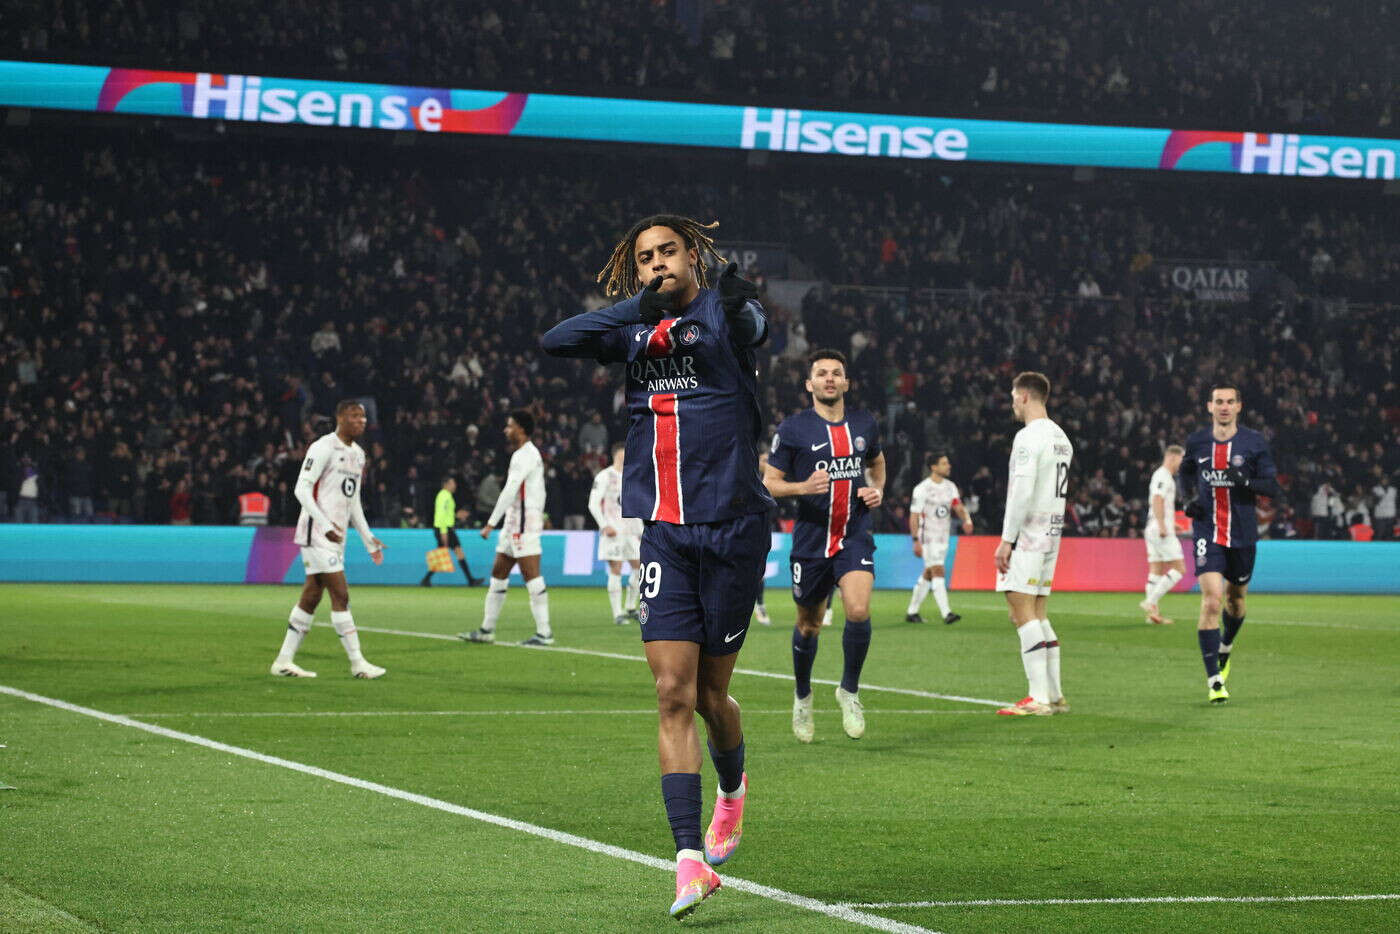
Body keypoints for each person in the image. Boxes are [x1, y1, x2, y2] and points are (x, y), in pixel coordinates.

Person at [541, 214, 772, 919]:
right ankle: (688, 862)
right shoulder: (634, 329)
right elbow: (558, 340)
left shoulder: (724, 313)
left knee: (710, 698)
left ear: (693, 255)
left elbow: (756, 324)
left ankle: (732, 793)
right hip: (666, 532)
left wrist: (730, 294)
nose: (657, 264)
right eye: (645, 258)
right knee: (673, 692)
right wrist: (640, 304)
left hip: (733, 528)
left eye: (668, 252)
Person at [764, 349, 885, 743]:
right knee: (808, 625)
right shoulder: (794, 429)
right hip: (812, 539)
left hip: (854, 534)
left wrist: (877, 489)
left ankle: (848, 690)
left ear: (846, 383)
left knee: (859, 609)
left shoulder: (865, 423)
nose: (829, 379)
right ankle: (802, 695)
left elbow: (877, 462)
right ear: (809, 384)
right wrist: (802, 487)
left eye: (836, 373)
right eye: (822, 374)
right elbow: (770, 483)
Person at [271, 400, 387, 680]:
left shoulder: (358, 455)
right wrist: (325, 524)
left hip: (336, 535)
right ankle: (358, 663)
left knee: (311, 596)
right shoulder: (323, 447)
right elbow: (301, 489)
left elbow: (353, 502)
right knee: (340, 594)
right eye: (354, 416)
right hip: (317, 533)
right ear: (340, 418)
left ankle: (283, 661)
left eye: (363, 416)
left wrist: (368, 538)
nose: (360, 421)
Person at [1180, 384, 1281, 704]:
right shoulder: (1196, 441)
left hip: (1242, 534)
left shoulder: (1253, 442)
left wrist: (1246, 481)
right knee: (1211, 601)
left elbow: (1272, 486)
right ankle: (1214, 682)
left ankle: (1225, 648)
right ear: (1209, 406)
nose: (1224, 406)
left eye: (1230, 402)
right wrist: (1188, 500)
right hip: (1207, 531)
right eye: (1218, 402)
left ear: (1239, 406)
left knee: (1235, 602)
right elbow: (1185, 472)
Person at [993, 372, 1073, 717]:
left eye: (1013, 395)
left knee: (1020, 610)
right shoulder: (1061, 437)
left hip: (1029, 535)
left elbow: (1022, 491)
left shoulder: (1028, 437)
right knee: (1038, 610)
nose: (1012, 401)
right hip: (1052, 533)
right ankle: (1054, 695)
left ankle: (1037, 697)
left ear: (1024, 396)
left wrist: (1006, 540)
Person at [460, 410, 553, 646]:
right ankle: (486, 630)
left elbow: (511, 490)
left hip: (524, 523)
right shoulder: (523, 454)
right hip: (514, 522)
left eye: (509, 426)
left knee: (531, 575)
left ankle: (544, 633)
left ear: (521, 429)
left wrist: (490, 523)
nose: (505, 430)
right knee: (498, 575)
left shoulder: (525, 455)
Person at [906, 452, 973, 624]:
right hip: (927, 537)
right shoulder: (922, 489)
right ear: (933, 467)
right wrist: (915, 540)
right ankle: (947, 613)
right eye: (944, 463)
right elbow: (914, 516)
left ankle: (912, 612)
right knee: (938, 570)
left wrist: (966, 519)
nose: (948, 466)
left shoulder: (950, 486)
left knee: (929, 574)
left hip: (943, 536)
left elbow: (957, 506)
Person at [590, 442, 643, 624]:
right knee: (616, 568)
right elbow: (593, 503)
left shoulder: (633, 476)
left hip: (632, 531)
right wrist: (604, 525)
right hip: (613, 531)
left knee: (639, 568)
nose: (623, 458)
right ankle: (617, 613)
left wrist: (642, 529)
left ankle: (630, 607)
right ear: (614, 456)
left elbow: (639, 504)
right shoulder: (605, 476)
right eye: (620, 455)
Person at [1138, 444, 1186, 624]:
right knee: (1179, 568)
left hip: (1153, 526)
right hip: (1158, 529)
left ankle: (1152, 616)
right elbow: (1157, 499)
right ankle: (1150, 602)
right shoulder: (1163, 476)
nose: (1182, 463)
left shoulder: (1163, 476)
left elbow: (1158, 503)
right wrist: (1163, 526)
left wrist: (1171, 523)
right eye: (1181, 458)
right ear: (1172, 457)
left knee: (1156, 570)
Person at [420, 476, 483, 587]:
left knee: (450, 552)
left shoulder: (446, 496)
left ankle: (470, 580)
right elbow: (440, 515)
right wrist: (443, 532)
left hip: (446, 528)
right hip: (444, 529)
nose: (455, 485)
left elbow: (446, 514)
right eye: (452, 483)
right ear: (446, 484)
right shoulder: (444, 496)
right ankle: (470, 580)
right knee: (447, 553)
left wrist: (456, 516)